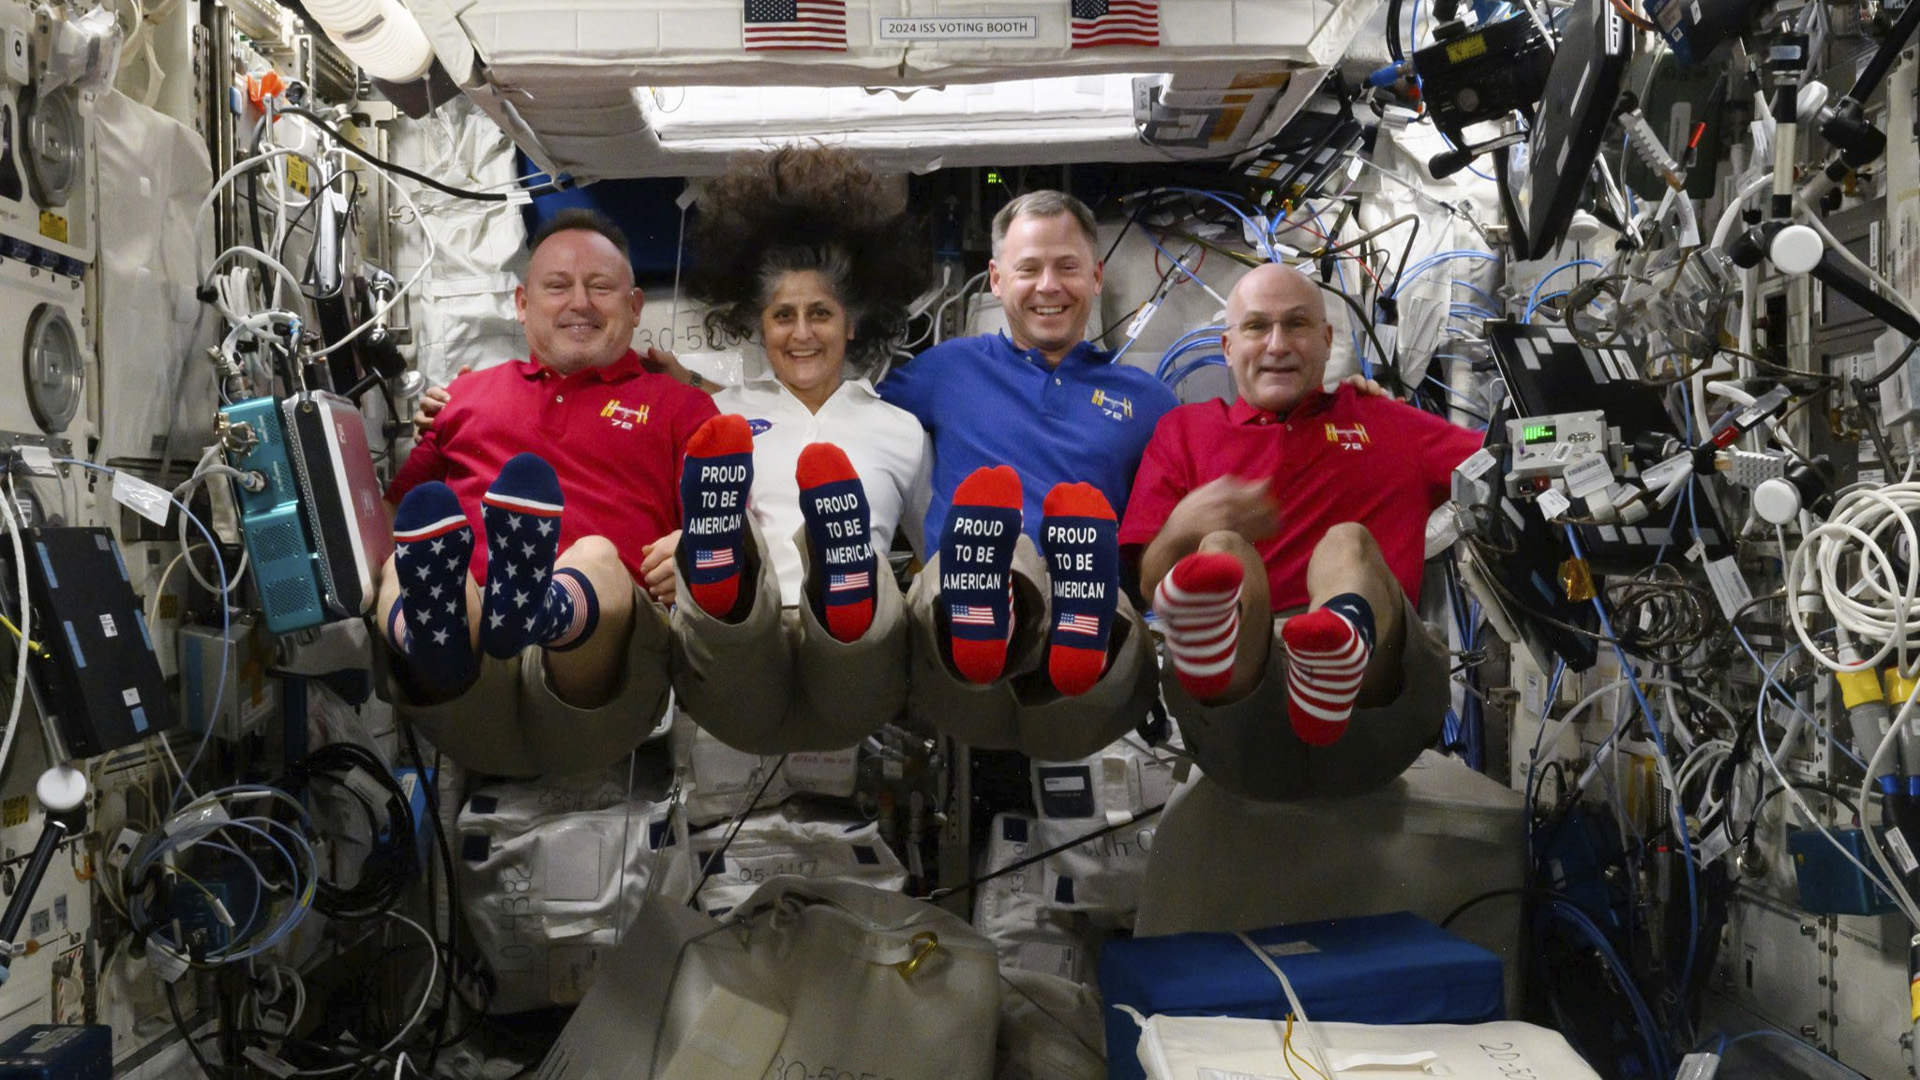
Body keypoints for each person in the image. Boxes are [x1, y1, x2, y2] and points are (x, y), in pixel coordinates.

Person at [1120, 262, 1484, 801]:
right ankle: (1222, 658)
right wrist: (1185, 525)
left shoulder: (1388, 424)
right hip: (1239, 712)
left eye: (1296, 325)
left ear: (1327, 339)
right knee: (1221, 552)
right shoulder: (1185, 432)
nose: (1277, 344)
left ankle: (1336, 643)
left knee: (1348, 544)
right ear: (1226, 346)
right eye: (1256, 327)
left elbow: (1509, 460)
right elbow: (1150, 583)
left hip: (1375, 703)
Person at [377, 208, 719, 777]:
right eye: (557, 286)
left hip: (600, 677)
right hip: (464, 669)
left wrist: (692, 545)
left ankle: (543, 609)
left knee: (595, 558)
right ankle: (433, 635)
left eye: (600, 287)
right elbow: (394, 515)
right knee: (409, 557)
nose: (579, 302)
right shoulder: (463, 398)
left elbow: (730, 528)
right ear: (522, 304)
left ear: (634, 307)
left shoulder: (682, 407)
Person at [876, 191, 1179, 762]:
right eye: (1028, 269)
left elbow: (1218, 451)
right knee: (996, 548)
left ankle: (1075, 611)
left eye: (1067, 267)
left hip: (1086, 664)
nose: (1048, 286)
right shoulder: (945, 370)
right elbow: (838, 413)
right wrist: (711, 395)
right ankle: (997, 600)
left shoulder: (1150, 402)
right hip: (956, 644)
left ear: (1095, 277)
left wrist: (1343, 398)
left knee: (1095, 593)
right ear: (995, 279)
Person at [662, 145, 932, 754]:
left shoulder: (900, 430)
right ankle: (723, 566)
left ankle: (843, 577)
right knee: (734, 623)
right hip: (743, 645)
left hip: (853, 661)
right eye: (783, 314)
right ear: (758, 324)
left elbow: (928, 550)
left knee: (858, 629)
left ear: (854, 322)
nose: (802, 332)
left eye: (821, 313)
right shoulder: (720, 417)